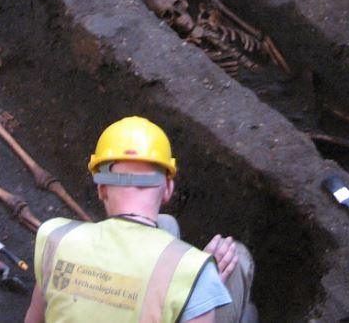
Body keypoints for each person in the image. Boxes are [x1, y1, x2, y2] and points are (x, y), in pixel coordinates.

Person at [24, 116, 256, 322]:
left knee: (167, 225)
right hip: (188, 284)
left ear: (102, 189)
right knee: (239, 262)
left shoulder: (55, 239)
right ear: (167, 189)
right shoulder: (196, 274)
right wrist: (199, 285)